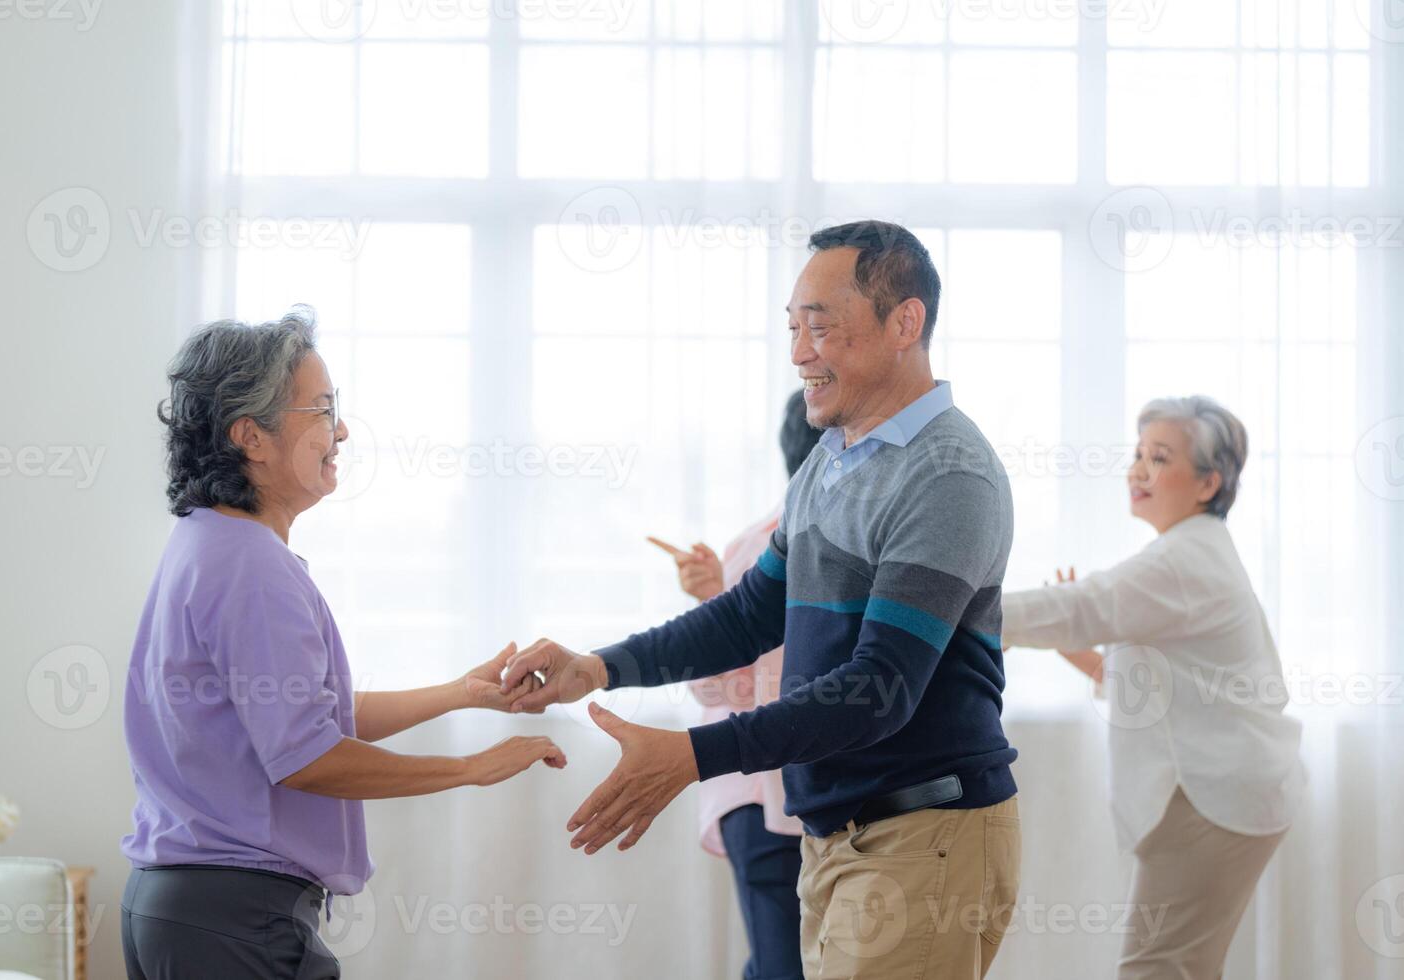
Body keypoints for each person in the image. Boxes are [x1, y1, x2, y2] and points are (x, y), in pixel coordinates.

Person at [502, 220, 1022, 978]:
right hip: (838, 837)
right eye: (792, 328)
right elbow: (749, 615)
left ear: (904, 322)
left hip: (922, 833)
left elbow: (881, 689)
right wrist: (598, 666)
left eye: (821, 327)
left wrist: (693, 755)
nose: (799, 352)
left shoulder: (947, 476)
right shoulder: (828, 465)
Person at [119, 308, 565, 980]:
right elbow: (307, 756)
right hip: (233, 918)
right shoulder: (250, 566)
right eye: (323, 411)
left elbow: (293, 716)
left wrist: (458, 695)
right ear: (252, 438)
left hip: (183, 908)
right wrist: (470, 769)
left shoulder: (207, 541)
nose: (343, 431)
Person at [1000, 395, 1305, 979]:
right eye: (1138, 454)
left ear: (1207, 482)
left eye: (1159, 457)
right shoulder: (1188, 553)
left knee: (1157, 967)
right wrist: (1071, 645)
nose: (1138, 469)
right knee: (1180, 965)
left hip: (1214, 797)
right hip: (1227, 793)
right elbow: (1151, 686)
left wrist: (964, 614)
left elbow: (1084, 605)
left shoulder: (1186, 559)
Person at [647, 390, 820, 980]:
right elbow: (724, 693)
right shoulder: (758, 548)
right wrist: (714, 601)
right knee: (783, 966)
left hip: (807, 792)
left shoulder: (857, 540)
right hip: (757, 793)